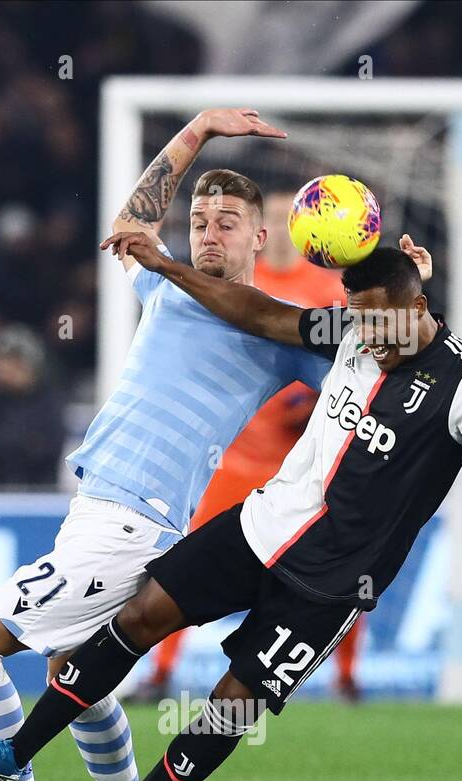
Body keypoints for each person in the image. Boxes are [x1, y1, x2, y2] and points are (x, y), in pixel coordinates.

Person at [0, 243, 462, 781]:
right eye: (362, 320)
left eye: (384, 322)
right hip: (257, 526)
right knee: (138, 616)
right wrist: (170, 268)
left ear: (419, 306)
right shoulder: (352, 330)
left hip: (329, 583)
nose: (371, 337)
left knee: (229, 706)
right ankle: (17, 750)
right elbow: (257, 312)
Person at [0, 108, 374, 781]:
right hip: (96, 513)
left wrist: (384, 280)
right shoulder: (170, 288)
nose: (209, 231)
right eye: (200, 218)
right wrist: (198, 130)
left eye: (229, 221)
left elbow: (363, 350)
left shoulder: (277, 328)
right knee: (75, 675)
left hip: (135, 522)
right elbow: (129, 224)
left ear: (260, 239)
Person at [135, 192, 377, 702]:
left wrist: (315, 406)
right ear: (263, 230)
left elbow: (358, 364)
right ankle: (160, 672)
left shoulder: (332, 289)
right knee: (186, 565)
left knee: (338, 570)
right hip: (236, 457)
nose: (287, 228)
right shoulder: (246, 284)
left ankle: (348, 678)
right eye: (276, 217)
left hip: (309, 464)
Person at [0, 326, 65, 488]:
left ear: (31, 366)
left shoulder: (49, 405)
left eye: (13, 362)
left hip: (40, 500)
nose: (4, 369)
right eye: (0, 361)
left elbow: (45, 451)